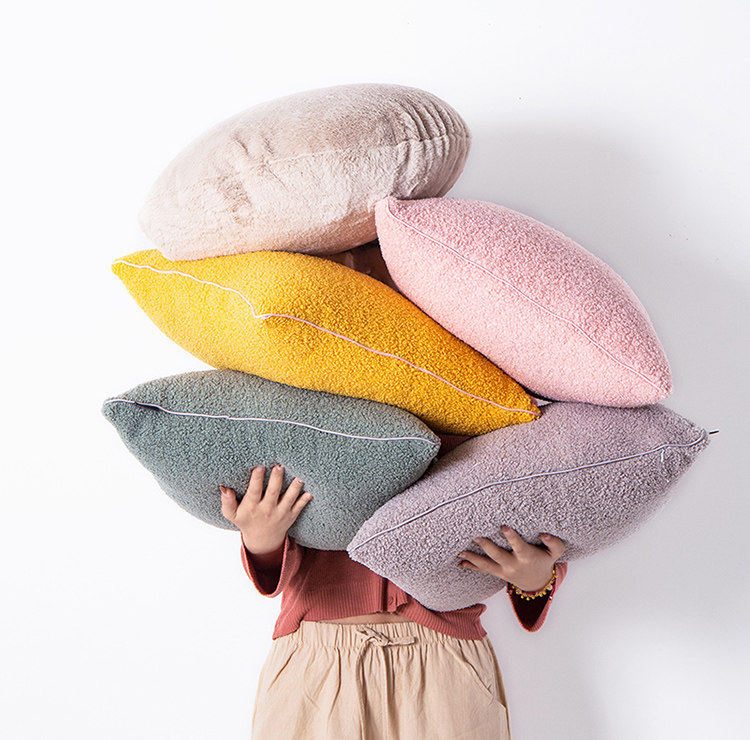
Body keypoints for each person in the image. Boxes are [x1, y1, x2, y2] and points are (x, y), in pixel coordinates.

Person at [220, 461, 567, 739]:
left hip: (445, 668)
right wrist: (261, 542)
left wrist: (537, 580)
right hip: (315, 669)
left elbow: (522, 503)